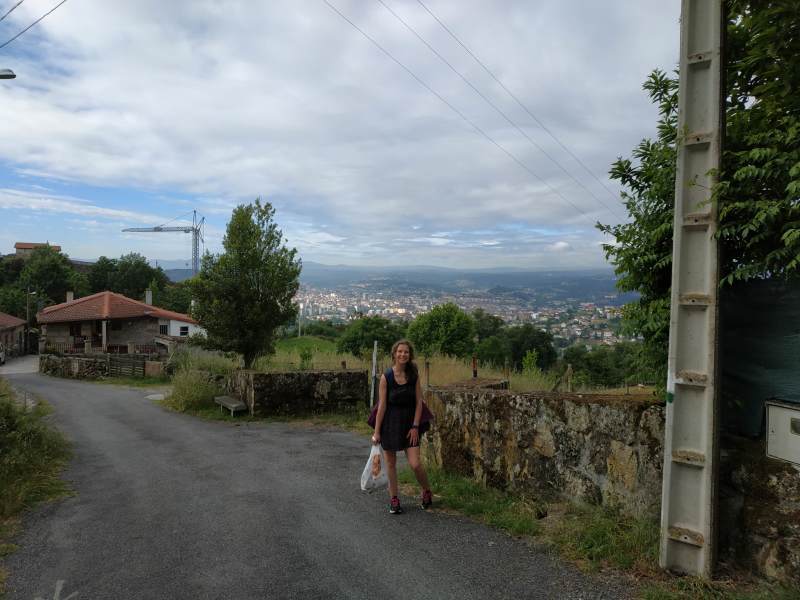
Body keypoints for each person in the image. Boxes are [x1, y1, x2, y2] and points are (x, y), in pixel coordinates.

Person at [371, 339, 432, 514]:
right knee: (390, 463)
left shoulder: (414, 375)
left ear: (409, 355)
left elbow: (419, 403)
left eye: (406, 352)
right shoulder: (386, 377)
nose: (402, 354)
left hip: (410, 423)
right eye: (399, 351)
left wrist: (415, 426)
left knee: (415, 464)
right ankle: (394, 499)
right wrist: (376, 432)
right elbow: (381, 406)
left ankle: (426, 491)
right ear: (394, 354)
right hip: (390, 423)